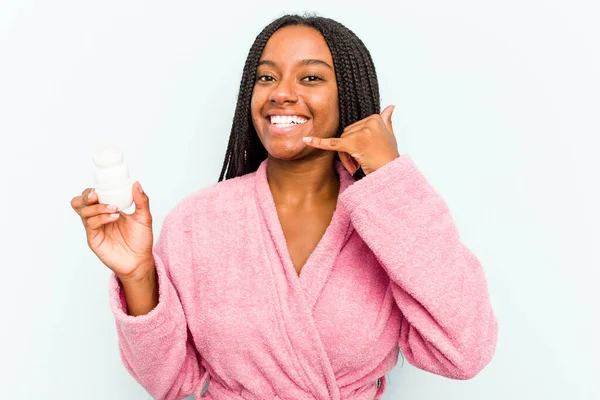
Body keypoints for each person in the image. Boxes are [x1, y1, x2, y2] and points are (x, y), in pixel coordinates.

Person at [71, 14, 498, 400]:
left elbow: (464, 351)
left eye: (310, 78)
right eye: (267, 77)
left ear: (348, 94)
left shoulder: (388, 221)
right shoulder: (196, 221)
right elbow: (169, 381)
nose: (282, 94)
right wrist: (139, 274)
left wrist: (388, 177)